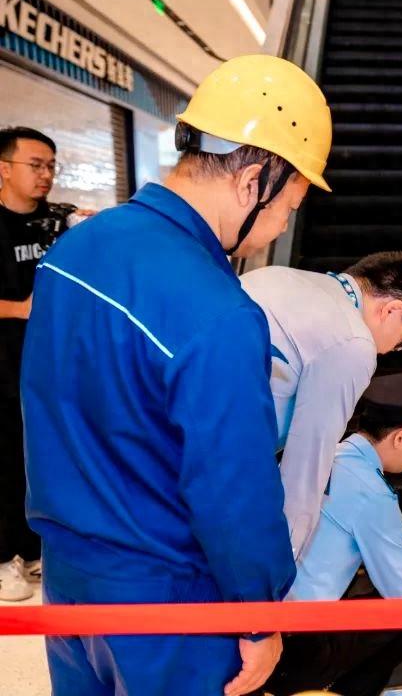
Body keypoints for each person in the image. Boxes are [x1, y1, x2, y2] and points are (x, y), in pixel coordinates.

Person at [20, 54, 333, 696]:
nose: (280, 227)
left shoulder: (75, 249)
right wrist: (259, 614)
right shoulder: (219, 313)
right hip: (168, 604)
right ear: (254, 182)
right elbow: (232, 487)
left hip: (69, 582)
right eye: (289, 207)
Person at [263, 371, 402, 696]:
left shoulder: (324, 454)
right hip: (292, 649)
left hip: (257, 621)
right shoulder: (373, 495)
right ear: (400, 438)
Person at [241, 251, 402, 559]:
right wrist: (282, 559)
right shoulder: (352, 343)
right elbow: (307, 464)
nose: (393, 349)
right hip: (209, 459)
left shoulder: (277, 275)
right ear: (392, 310)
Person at [0, 127, 94, 600]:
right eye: (35, 165)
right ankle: (4, 559)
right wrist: (19, 308)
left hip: (53, 368)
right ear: (3, 169)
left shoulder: (58, 222)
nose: (46, 174)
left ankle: (33, 549)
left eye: (51, 166)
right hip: (4, 366)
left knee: (42, 459)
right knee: (5, 463)